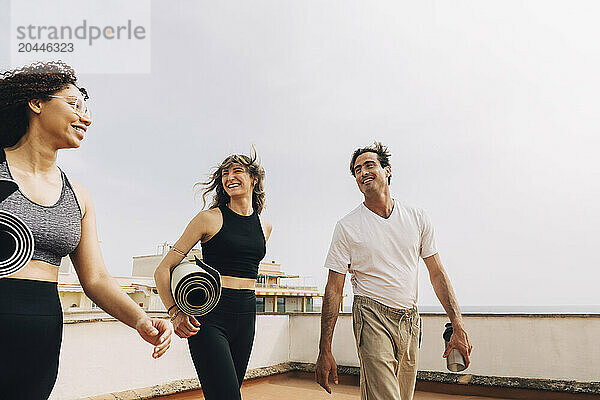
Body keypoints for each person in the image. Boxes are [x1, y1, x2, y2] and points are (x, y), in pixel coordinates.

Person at [0, 61, 172, 399]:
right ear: (37, 103)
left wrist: (140, 319)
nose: (87, 117)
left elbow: (95, 279)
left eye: (87, 108)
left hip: (42, 340)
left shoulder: (78, 196)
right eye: (74, 104)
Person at [315, 142, 473, 399]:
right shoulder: (347, 227)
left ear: (387, 170)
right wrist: (324, 349)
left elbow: (437, 272)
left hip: (409, 321)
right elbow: (334, 288)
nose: (363, 172)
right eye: (357, 170)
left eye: (369, 165)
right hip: (371, 315)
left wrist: (458, 323)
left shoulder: (417, 217)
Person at [154, 151, 272, 400]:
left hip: (247, 316)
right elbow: (162, 270)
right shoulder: (208, 219)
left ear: (254, 179)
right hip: (209, 319)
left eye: (237, 171)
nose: (230, 177)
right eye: (225, 173)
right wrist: (175, 313)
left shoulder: (265, 226)